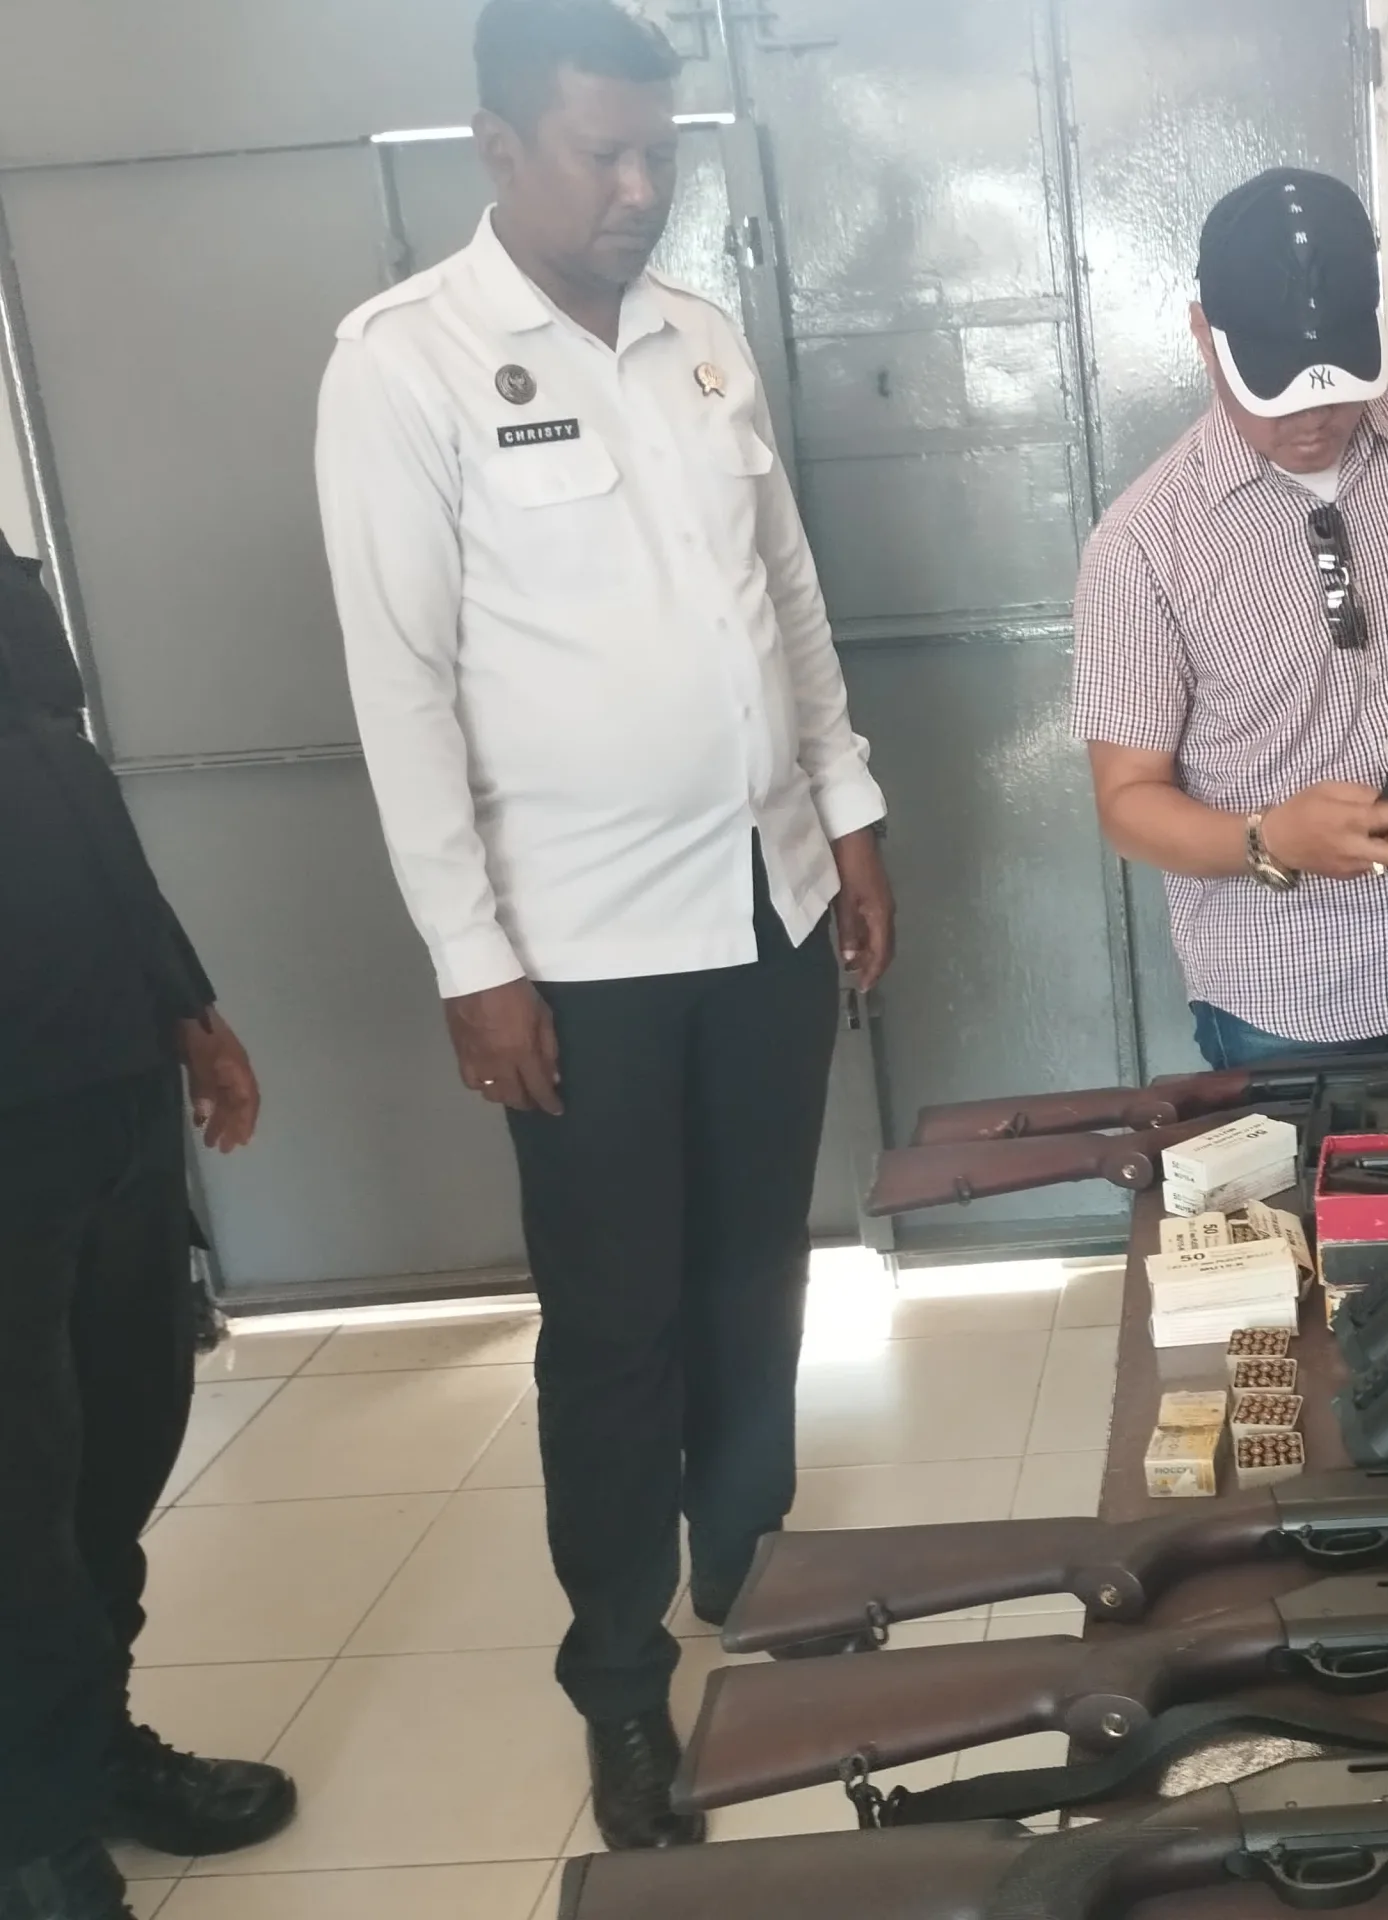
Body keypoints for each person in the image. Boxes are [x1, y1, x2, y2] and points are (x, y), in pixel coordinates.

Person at [313, 0, 893, 1851]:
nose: (642, 188)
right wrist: (469, 957)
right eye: (603, 154)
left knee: (761, 1273)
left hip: (766, 903)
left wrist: (850, 811)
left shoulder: (700, 339)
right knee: (616, 1322)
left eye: (661, 152)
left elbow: (784, 595)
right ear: (500, 147)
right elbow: (404, 690)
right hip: (579, 954)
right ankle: (623, 1674)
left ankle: (752, 1564)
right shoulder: (405, 366)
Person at [1071, 167, 1388, 1069]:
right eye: (1279, 388)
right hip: (1284, 1007)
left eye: (1335, 383)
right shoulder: (1141, 545)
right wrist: (1270, 839)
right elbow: (1127, 801)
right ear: (1203, 335)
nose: (1313, 416)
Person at [0, 530, 291, 1920]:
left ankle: (89, 1750)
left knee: (115, 1450)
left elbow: (62, 771)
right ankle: (32, 1839)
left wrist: (183, 1002)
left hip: (104, 1073)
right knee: (15, 1500)